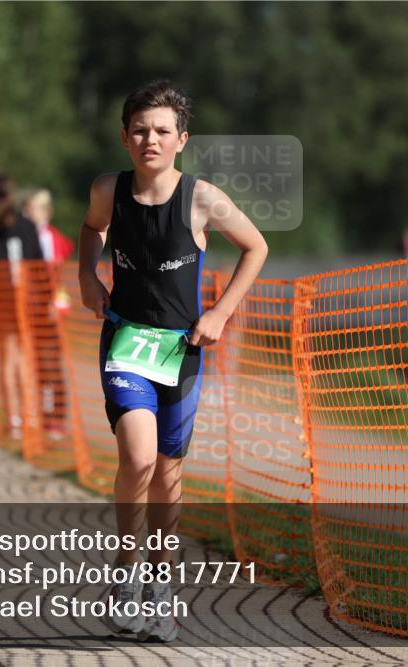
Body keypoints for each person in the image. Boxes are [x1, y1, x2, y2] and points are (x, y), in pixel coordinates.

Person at [78, 80, 268, 641]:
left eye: (162, 131)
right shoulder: (107, 190)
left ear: (181, 139)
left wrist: (220, 314)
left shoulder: (202, 199)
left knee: (168, 471)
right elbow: (92, 231)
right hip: (126, 343)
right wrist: (87, 275)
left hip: (181, 351)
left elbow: (255, 248)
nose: (150, 139)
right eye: (140, 130)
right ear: (124, 136)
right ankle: (127, 572)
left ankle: (160, 583)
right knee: (137, 458)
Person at [0, 172, 43, 440]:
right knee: (15, 359)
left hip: (14, 301)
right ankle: (22, 417)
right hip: (14, 301)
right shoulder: (24, 225)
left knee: (14, 359)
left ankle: (20, 417)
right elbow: (38, 266)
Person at [22, 188, 75, 439]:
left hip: (50, 310)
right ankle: (41, 415)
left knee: (51, 365)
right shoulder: (29, 237)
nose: (26, 213)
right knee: (38, 366)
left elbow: (55, 277)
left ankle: (56, 417)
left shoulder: (50, 238)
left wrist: (54, 305)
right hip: (33, 309)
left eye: (30, 208)